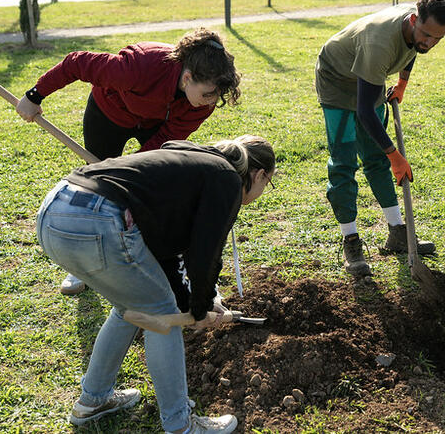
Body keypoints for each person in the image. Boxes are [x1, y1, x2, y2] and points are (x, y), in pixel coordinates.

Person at [36, 135, 275, 433]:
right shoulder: (225, 178)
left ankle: (93, 400)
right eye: (268, 184)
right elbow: (205, 254)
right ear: (260, 174)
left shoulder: (187, 164)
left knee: (130, 307)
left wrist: (193, 303)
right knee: (161, 314)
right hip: (97, 217)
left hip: (55, 212)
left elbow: (166, 253)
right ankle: (181, 425)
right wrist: (199, 309)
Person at [17, 28, 241, 296]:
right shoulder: (140, 66)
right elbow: (75, 63)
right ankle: (81, 267)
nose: (212, 101)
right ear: (188, 77)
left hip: (155, 124)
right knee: (96, 190)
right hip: (108, 113)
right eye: (208, 93)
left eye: (216, 95)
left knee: (159, 185)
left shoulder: (201, 104)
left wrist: (133, 176)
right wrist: (34, 95)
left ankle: (169, 261)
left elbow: (164, 142)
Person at [315, 0, 445, 277]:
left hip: (369, 76)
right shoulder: (379, 44)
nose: (429, 43)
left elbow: (413, 49)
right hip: (337, 78)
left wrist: (402, 82)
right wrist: (396, 157)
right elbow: (365, 112)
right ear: (413, 21)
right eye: (426, 35)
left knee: (376, 156)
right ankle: (351, 241)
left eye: (437, 39)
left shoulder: (417, 28)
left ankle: (397, 233)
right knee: (344, 163)